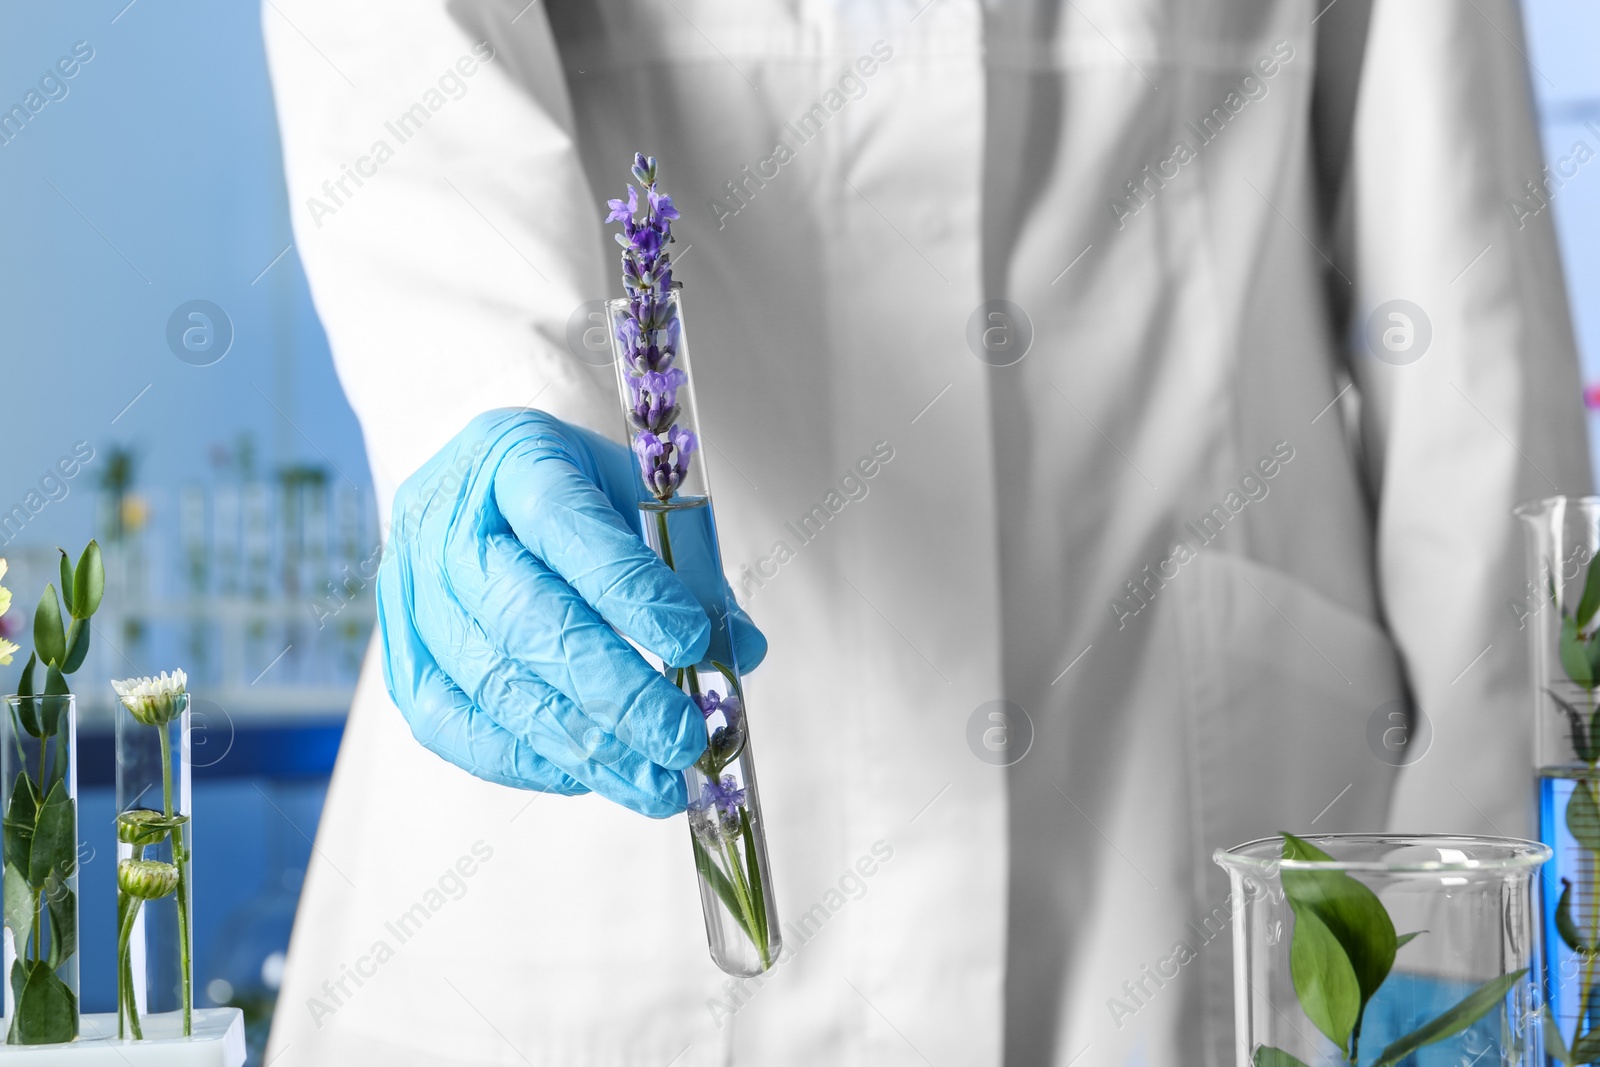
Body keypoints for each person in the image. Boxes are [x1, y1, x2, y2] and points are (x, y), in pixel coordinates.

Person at [262, 1, 1588, 1063]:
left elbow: (1463, 295)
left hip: (1173, 811)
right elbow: (398, 76)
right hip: (591, 904)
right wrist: (491, 403)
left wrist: (1461, 901)